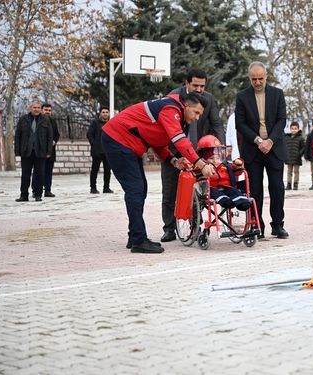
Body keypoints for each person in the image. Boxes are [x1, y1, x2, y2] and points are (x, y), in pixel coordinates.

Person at [101, 92, 216, 254]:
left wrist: (174, 161)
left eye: (200, 114)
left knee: (140, 189)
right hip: (118, 139)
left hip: (125, 142)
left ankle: (135, 236)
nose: (197, 118)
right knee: (136, 189)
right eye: (196, 112)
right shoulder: (171, 109)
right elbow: (179, 140)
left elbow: (158, 141)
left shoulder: (174, 111)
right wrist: (201, 163)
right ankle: (138, 240)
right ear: (186, 106)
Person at [161, 68, 224, 242]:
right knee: (170, 190)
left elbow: (216, 123)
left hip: (198, 154)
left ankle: (195, 225)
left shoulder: (209, 99)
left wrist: (220, 149)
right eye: (195, 85)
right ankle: (169, 228)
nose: (198, 89)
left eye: (202, 86)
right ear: (187, 83)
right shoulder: (174, 96)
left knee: (199, 191)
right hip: (173, 153)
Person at [235, 61, 289, 239]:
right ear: (249, 78)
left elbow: (282, 120)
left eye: (260, 78)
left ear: (266, 76)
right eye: (253, 79)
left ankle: (278, 225)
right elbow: (240, 124)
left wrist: (270, 141)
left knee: (277, 188)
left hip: (274, 149)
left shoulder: (277, 94)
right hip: (253, 150)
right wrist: (259, 141)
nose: (257, 82)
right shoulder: (242, 97)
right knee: (255, 190)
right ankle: (257, 226)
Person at [197, 135, 252, 210]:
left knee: (233, 191)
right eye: (211, 158)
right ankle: (226, 201)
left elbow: (238, 171)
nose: (215, 161)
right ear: (205, 160)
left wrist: (238, 163)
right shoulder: (205, 168)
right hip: (211, 188)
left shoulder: (225, 166)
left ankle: (242, 202)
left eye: (217, 158)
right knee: (215, 192)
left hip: (226, 187)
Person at [14, 101, 53, 202]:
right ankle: (24, 195)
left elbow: (50, 136)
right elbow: (18, 135)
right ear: (30, 108)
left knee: (40, 174)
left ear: (40, 109)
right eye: (34, 107)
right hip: (26, 152)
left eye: (38, 107)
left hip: (40, 152)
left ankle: (38, 194)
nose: (36, 109)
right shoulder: (23, 119)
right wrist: (17, 151)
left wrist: (49, 151)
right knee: (25, 175)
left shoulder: (45, 120)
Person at [87, 106, 113, 194]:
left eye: (106, 112)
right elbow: (89, 134)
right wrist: (94, 144)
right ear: (100, 113)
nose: (105, 114)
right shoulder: (95, 123)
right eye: (103, 112)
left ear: (109, 113)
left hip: (108, 151)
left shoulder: (111, 123)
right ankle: (93, 188)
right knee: (95, 169)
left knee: (107, 170)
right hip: (97, 151)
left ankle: (106, 187)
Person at [36, 103, 60, 197]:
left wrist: (54, 141)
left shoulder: (53, 121)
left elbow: (57, 134)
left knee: (48, 171)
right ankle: (36, 190)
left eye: (49, 110)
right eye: (46, 110)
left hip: (51, 151)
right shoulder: (37, 120)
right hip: (39, 150)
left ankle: (47, 190)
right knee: (38, 171)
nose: (48, 112)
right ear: (42, 110)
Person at [284, 121, 305, 190]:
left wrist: (299, 154)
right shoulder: (286, 137)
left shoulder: (301, 138)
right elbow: (284, 146)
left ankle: (295, 184)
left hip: (297, 158)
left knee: (296, 172)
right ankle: (289, 184)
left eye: (295, 128)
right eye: (292, 128)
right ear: (290, 129)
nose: (294, 130)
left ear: (298, 129)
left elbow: (303, 148)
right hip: (289, 158)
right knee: (289, 172)